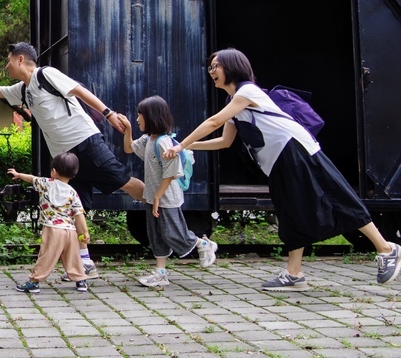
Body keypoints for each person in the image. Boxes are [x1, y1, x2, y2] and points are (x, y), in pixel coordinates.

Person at [165, 48, 401, 291]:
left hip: (295, 149)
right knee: (291, 211)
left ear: (232, 66)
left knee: (336, 197)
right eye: (210, 67)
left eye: (216, 66)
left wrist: (181, 144)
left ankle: (387, 249)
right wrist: (185, 146)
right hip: (278, 159)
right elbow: (225, 141)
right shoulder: (233, 100)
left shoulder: (247, 91)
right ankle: (294, 273)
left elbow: (213, 122)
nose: (212, 71)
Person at [0, 42, 145, 280]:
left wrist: (108, 114)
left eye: (8, 60)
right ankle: (85, 264)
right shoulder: (23, 90)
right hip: (66, 159)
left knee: (124, 182)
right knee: (72, 212)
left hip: (86, 142)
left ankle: (164, 205)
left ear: (21, 59)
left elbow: (80, 92)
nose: (6, 65)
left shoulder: (46, 75)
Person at [116, 96, 217, 287]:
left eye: (140, 115)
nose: (137, 119)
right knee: (156, 235)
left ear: (152, 116)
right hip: (154, 196)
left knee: (172, 233)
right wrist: (128, 129)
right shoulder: (148, 139)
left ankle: (204, 244)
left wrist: (157, 196)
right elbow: (129, 149)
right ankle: (160, 272)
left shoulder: (163, 142)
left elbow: (171, 172)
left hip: (165, 196)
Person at [7, 152, 92, 293]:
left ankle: (34, 282)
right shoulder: (73, 192)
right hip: (70, 231)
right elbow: (79, 214)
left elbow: (32, 179)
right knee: (73, 256)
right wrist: (84, 232)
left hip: (53, 229)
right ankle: (81, 281)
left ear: (54, 171)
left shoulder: (46, 184)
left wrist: (18, 174)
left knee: (46, 255)